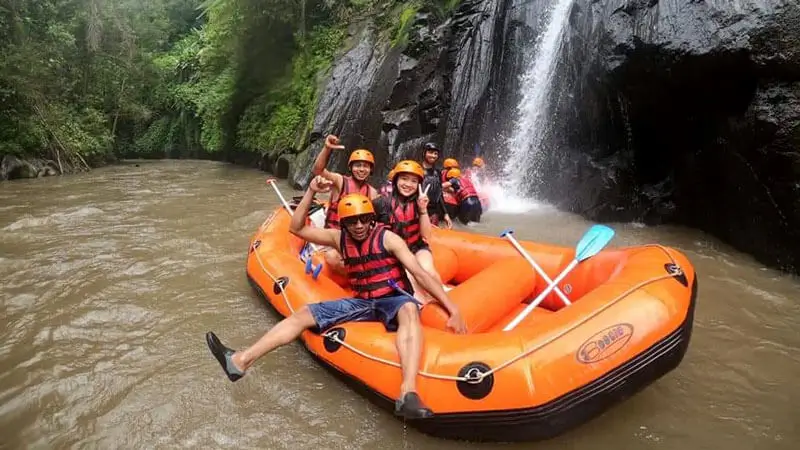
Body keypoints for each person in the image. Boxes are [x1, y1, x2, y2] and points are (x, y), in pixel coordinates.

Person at [205, 179, 466, 419]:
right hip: (363, 302)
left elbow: (420, 273)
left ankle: (408, 393)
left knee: (409, 309)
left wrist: (451, 307)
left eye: (364, 219)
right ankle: (239, 361)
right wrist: (311, 192)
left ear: (372, 219)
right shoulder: (338, 238)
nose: (360, 226)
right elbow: (296, 227)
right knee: (304, 315)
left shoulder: (389, 239)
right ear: (344, 223)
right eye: (353, 222)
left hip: (393, 298)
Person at [373, 160, 443, 304]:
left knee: (428, 271)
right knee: (410, 279)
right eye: (404, 179)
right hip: (394, 254)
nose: (408, 184)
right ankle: (423, 308)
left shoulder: (420, 202)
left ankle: (443, 302)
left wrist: (423, 210)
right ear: (396, 180)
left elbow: (426, 236)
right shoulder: (381, 204)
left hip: (416, 247)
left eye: (413, 181)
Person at [311, 134, 378, 273]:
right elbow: (318, 170)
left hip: (356, 238)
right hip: (334, 237)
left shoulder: (372, 193)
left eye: (365, 166)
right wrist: (327, 148)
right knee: (332, 258)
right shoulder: (340, 181)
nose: (361, 169)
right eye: (357, 165)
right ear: (350, 167)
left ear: (371, 170)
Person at [419, 142, 453, 229]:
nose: (433, 156)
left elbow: (439, 194)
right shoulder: (418, 170)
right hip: (418, 211)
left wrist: (445, 213)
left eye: (436, 153)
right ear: (424, 153)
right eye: (430, 152)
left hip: (434, 212)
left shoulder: (437, 172)